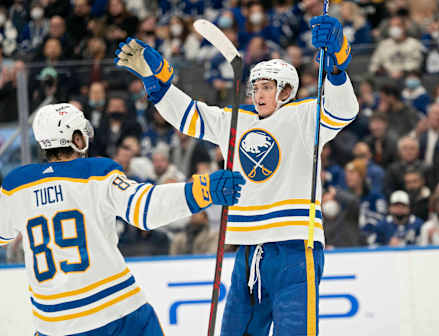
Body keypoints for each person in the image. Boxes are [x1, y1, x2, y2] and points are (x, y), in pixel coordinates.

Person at [115, 14, 358, 336]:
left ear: (286, 90)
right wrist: (159, 87)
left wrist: (337, 65)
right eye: (255, 87)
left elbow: (344, 110)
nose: (258, 94)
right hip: (248, 250)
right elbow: (188, 116)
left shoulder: (304, 117)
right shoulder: (235, 119)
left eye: (267, 87)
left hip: (296, 247)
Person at [0, 103, 245, 336]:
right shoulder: (96, 173)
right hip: (114, 314)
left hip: (53, 325)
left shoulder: (16, 186)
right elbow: (146, 209)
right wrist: (200, 192)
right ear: (77, 139)